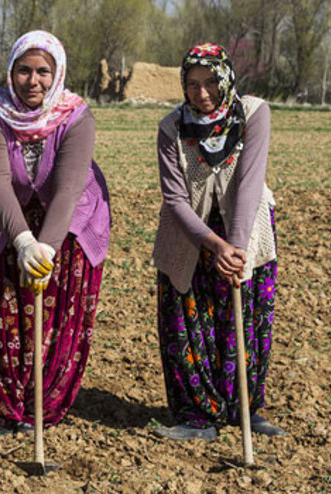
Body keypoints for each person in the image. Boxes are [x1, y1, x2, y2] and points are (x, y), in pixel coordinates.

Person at [0, 30, 110, 439]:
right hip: (1, 217)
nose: (33, 80)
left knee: (56, 317)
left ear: (57, 72)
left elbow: (69, 188)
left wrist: (45, 246)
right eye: (24, 70)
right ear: (11, 71)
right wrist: (23, 241)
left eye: (43, 71)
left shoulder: (76, 116)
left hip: (67, 221)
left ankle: (41, 408)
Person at [152, 42, 284, 441]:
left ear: (226, 78)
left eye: (211, 81)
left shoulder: (253, 114)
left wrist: (237, 246)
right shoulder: (170, 128)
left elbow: (248, 181)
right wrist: (214, 245)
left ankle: (246, 408)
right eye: (192, 83)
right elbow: (174, 198)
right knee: (189, 324)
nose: (202, 92)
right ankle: (197, 416)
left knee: (246, 321)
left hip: (245, 232)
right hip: (190, 235)